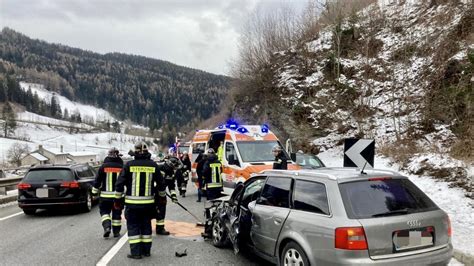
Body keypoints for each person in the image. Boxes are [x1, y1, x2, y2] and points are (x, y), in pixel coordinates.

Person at [115, 142, 166, 259]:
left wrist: (118, 200)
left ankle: (136, 253)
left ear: (135, 152)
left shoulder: (128, 165)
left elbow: (119, 184)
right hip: (148, 204)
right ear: (147, 152)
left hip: (132, 205)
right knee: (146, 226)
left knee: (133, 227)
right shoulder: (153, 165)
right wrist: (162, 198)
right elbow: (161, 184)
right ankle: (146, 251)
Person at [92, 147, 124, 238]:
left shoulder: (103, 167)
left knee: (104, 212)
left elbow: (97, 181)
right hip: (118, 197)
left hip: (105, 196)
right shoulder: (122, 167)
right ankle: (116, 232)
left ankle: (107, 227)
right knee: (117, 214)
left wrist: (94, 192)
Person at [155, 156, 181, 235]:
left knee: (162, 210)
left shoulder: (171, 173)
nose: (176, 168)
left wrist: (173, 196)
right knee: (148, 210)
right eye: (175, 166)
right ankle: (143, 228)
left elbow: (171, 186)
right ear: (171, 164)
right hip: (151, 193)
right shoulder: (159, 168)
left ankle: (160, 228)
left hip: (161, 194)